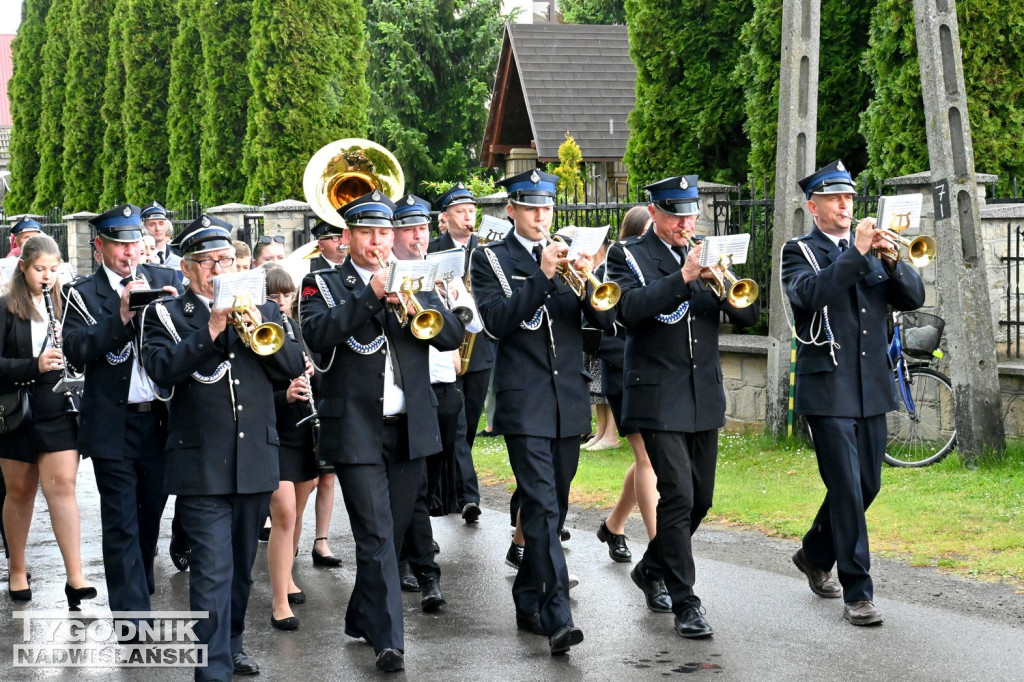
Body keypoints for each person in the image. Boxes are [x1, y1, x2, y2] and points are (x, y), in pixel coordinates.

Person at [299, 191, 464, 673]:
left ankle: (360, 614)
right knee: (375, 536)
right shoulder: (322, 283)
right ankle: (390, 642)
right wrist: (369, 295)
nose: (378, 241)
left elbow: (452, 335)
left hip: (409, 426)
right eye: (367, 233)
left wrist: (419, 311)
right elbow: (317, 334)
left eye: (384, 233)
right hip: (354, 428)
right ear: (348, 237)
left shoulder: (415, 276)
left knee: (388, 537)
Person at [142, 214, 304, 680]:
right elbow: (161, 368)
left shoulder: (264, 310)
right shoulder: (167, 315)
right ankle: (210, 671)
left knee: (239, 570)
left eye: (227, 260)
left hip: (255, 458)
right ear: (188, 268)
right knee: (211, 572)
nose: (220, 268)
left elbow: (292, 364)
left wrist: (257, 327)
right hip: (201, 464)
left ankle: (230, 646)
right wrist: (211, 329)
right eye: (210, 262)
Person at [605, 174, 760, 639]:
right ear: (654, 213)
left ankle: (652, 567)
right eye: (676, 214)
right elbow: (627, 311)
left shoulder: (711, 252)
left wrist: (721, 278)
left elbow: (749, 315)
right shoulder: (627, 254)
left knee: (703, 499)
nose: (686, 223)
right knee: (679, 495)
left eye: (692, 214)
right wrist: (685, 277)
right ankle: (686, 602)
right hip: (655, 394)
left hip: (701, 394)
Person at [471, 169, 615, 656]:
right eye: (530, 207)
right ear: (511, 209)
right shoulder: (489, 257)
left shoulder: (568, 254)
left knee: (552, 508)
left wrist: (592, 273)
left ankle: (526, 596)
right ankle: (558, 618)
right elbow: (496, 322)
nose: (540, 216)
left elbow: (606, 321)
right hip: (523, 402)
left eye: (546, 208)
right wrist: (544, 275)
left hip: (567, 402)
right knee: (542, 503)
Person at [782, 160, 925, 626]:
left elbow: (913, 298)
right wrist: (857, 253)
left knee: (868, 485)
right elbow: (809, 297)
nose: (846, 205)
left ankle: (813, 552)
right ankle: (857, 593)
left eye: (848, 197)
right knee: (845, 488)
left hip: (870, 387)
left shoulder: (872, 251)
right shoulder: (798, 251)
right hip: (827, 387)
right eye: (834, 198)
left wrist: (890, 261)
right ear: (814, 205)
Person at [63, 205, 183, 627]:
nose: (129, 251)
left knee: (150, 513)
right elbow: (76, 351)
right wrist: (121, 315)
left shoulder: (168, 281)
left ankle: (140, 578)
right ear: (100, 247)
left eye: (135, 242)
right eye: (119, 243)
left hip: (161, 418)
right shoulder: (83, 292)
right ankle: (132, 618)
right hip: (113, 422)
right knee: (120, 521)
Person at [391, 193, 482, 598]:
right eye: (409, 229)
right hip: (405, 392)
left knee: (430, 479)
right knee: (416, 482)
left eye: (423, 228)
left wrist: (450, 297)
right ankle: (419, 565)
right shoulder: (388, 277)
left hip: (443, 386)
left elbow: (466, 328)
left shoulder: (437, 275)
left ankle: (417, 553)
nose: (419, 236)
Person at [0, 234, 95, 607]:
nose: (48, 276)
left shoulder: (66, 304)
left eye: (54, 270)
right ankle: (18, 569)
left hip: (58, 406)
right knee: (20, 492)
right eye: (40, 269)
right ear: (23, 267)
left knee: (63, 488)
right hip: (18, 410)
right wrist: (34, 365)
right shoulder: (6, 307)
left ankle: (76, 576)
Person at [596, 206, 657, 562]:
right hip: (623, 370)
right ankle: (659, 548)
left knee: (648, 459)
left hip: (654, 374)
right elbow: (606, 327)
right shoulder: (612, 269)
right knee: (647, 458)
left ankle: (615, 523)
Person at [429, 182, 493, 522]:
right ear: (446, 217)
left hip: (479, 348)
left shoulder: (487, 250)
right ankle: (468, 496)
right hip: (444, 350)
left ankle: (452, 490)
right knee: (454, 425)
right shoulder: (433, 250)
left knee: (467, 425)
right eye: (461, 212)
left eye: (471, 211)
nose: (468, 217)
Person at [263, 265, 319, 630]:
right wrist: (284, 394)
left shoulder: (295, 327)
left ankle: (287, 575)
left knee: (298, 511)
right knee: (283, 512)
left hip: (301, 429)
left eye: (287, 294)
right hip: (275, 428)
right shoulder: (259, 330)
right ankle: (278, 600)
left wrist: (312, 369)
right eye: (274, 295)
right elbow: (252, 389)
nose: (283, 301)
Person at [142, 201, 182, 271]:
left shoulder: (179, 253)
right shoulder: (140, 256)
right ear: (144, 227)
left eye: (161, 223)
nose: (158, 228)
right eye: (152, 224)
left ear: (166, 226)